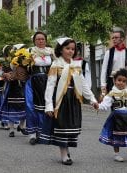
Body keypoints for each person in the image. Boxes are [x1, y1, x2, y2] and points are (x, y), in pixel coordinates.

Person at [39, 37, 97, 166]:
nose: (70, 51)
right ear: (60, 50)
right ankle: (64, 154)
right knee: (61, 126)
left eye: (72, 49)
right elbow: (50, 85)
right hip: (61, 100)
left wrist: (92, 99)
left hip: (73, 99)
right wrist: (48, 105)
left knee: (71, 127)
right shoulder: (56, 64)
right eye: (67, 48)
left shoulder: (76, 65)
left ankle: (66, 149)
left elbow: (83, 84)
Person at [93, 68, 127, 162]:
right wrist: (98, 106)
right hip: (116, 118)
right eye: (119, 80)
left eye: (124, 81)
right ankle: (116, 154)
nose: (121, 83)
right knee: (116, 136)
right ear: (114, 80)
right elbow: (105, 105)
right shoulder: (111, 94)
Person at [25, 31, 54, 145]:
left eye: (43, 39)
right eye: (38, 39)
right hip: (33, 82)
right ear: (34, 41)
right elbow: (16, 65)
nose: (41, 41)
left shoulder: (51, 52)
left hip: (48, 82)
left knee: (46, 107)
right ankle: (32, 134)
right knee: (31, 107)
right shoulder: (29, 51)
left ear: (46, 40)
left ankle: (43, 133)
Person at [0, 44, 29, 137]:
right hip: (12, 86)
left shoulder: (27, 61)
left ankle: (22, 126)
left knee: (25, 106)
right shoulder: (8, 61)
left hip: (23, 85)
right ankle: (11, 129)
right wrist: (5, 74)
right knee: (12, 106)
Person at [100, 28, 127, 95]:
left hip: (124, 82)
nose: (114, 39)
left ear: (122, 39)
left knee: (123, 103)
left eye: (116, 37)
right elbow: (104, 69)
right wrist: (103, 85)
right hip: (112, 82)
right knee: (111, 103)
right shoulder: (109, 52)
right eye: (113, 38)